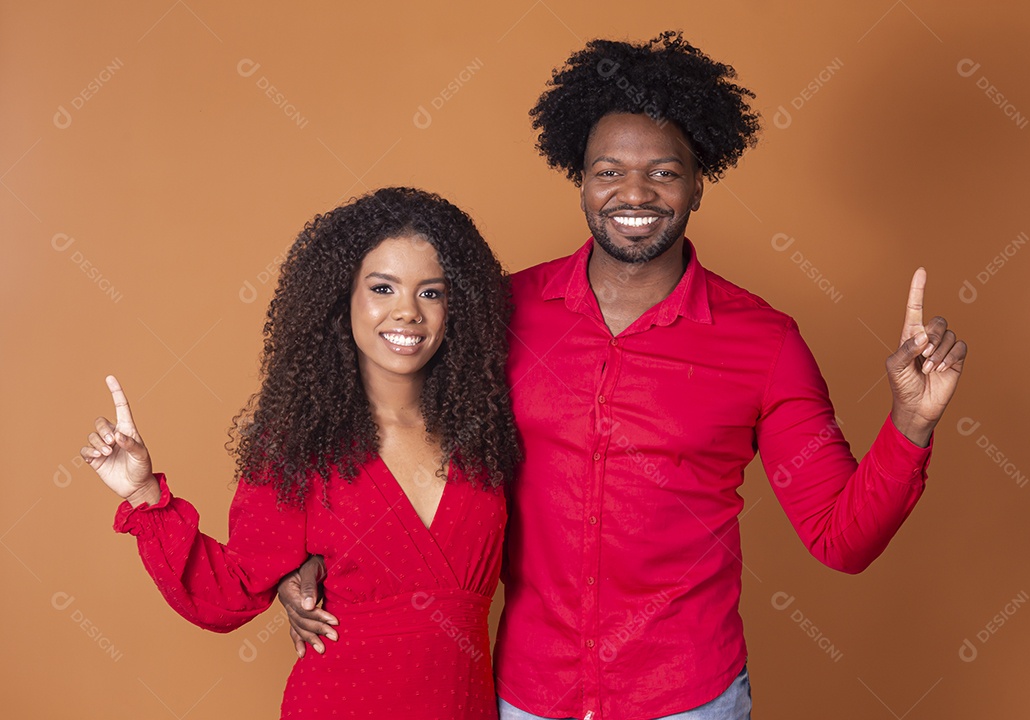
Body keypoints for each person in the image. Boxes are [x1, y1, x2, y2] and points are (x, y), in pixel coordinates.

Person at [279, 32, 967, 720]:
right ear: (580, 180)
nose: (634, 192)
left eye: (664, 172)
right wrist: (305, 555)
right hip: (528, 695)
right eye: (608, 171)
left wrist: (913, 420)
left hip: (690, 698)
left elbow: (840, 540)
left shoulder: (765, 343)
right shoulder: (500, 311)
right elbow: (386, 429)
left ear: (699, 183)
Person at [81, 187, 520, 719]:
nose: (407, 312)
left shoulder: (487, 433)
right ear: (343, 298)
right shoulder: (300, 441)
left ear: (458, 306)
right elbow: (228, 593)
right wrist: (145, 495)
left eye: (432, 293)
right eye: (383, 287)